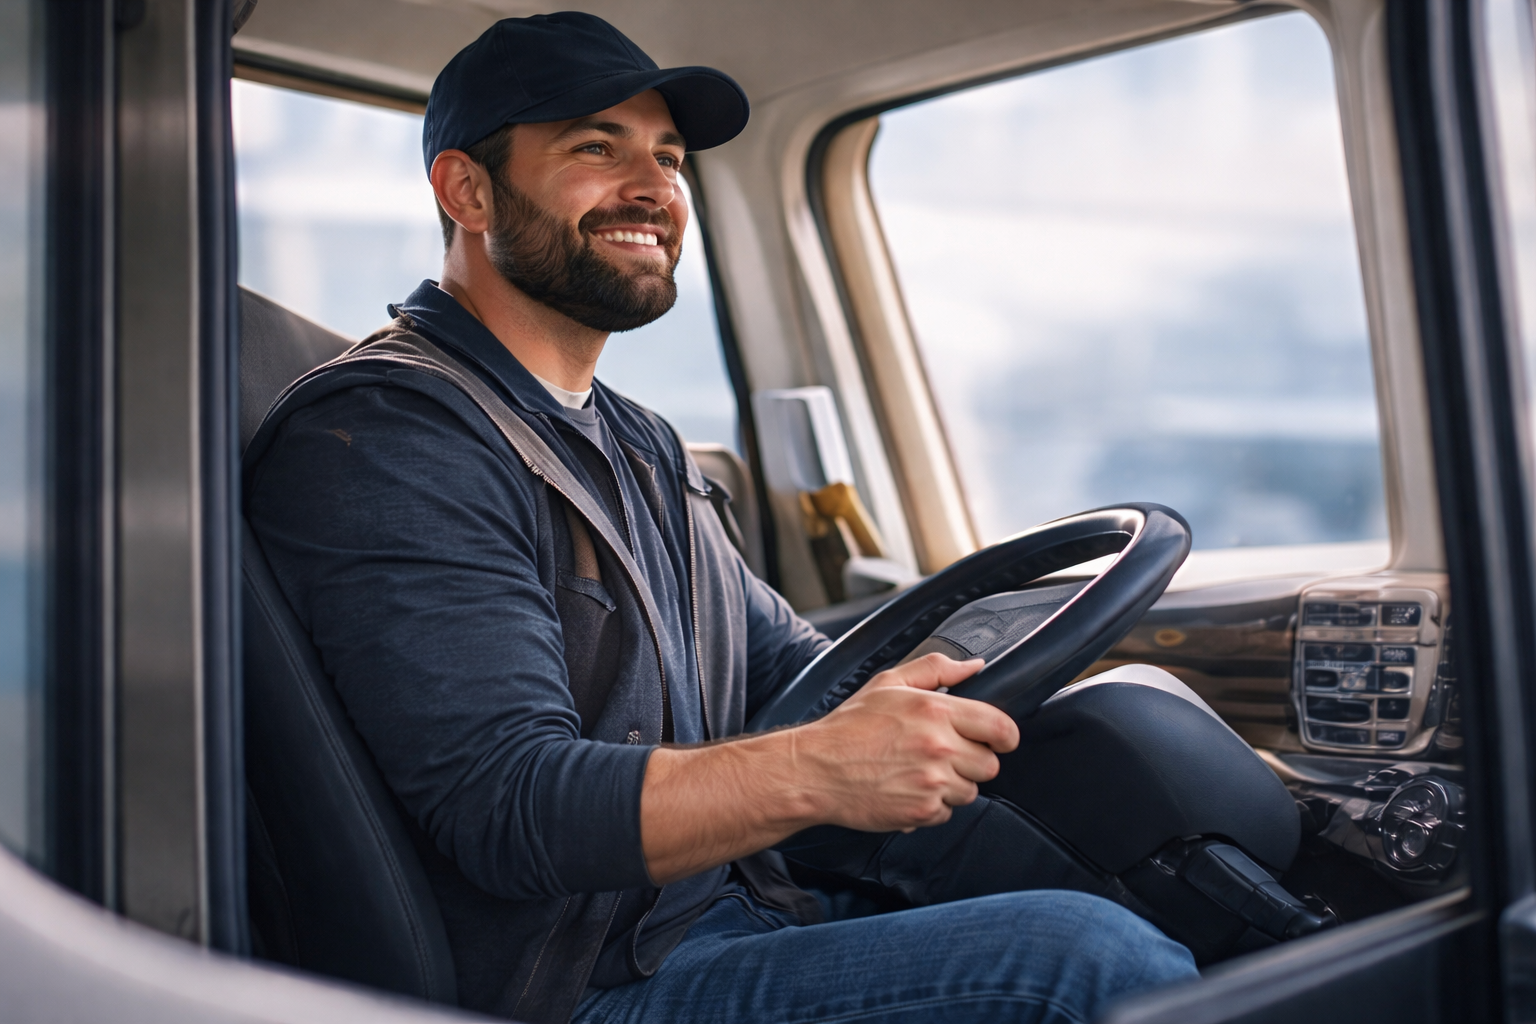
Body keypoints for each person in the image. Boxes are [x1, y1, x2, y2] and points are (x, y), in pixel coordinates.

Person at [244, 12, 1198, 1024]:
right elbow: (511, 807)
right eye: (594, 147)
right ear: (466, 190)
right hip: (584, 984)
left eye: (666, 155)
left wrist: (974, 671)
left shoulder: (637, 444)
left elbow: (791, 673)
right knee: (1090, 961)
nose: (654, 187)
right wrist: (819, 769)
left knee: (1127, 887)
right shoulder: (394, 436)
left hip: (731, 908)